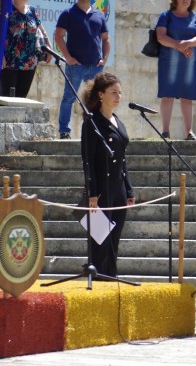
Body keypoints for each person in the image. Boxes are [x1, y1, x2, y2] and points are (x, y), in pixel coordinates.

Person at [81, 72, 135, 277]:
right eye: (113, 92)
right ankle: (97, 283)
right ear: (101, 94)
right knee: (100, 242)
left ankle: (111, 280)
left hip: (118, 190)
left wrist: (129, 189)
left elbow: (122, 159)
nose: (118, 96)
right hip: (100, 191)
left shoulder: (117, 121)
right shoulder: (92, 122)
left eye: (120, 92)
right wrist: (92, 193)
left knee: (114, 241)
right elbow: (87, 161)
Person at [55, 0, 110, 140]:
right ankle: (64, 131)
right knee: (69, 98)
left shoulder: (99, 15)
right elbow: (58, 36)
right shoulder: (68, 13)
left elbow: (106, 39)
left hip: (95, 66)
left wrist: (104, 59)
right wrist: (68, 58)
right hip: (76, 66)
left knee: (97, 99)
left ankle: (98, 129)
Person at [156, 0, 196, 141]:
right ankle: (165, 131)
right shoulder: (166, 16)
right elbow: (161, 37)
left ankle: (189, 132)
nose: (186, 0)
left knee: (187, 97)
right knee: (167, 95)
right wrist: (181, 46)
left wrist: (187, 43)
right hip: (169, 61)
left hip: (189, 64)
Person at [1, 0, 52, 98]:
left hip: (29, 62)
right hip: (10, 61)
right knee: (8, 98)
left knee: (21, 98)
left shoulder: (32, 11)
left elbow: (42, 30)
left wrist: (49, 48)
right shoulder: (7, 10)